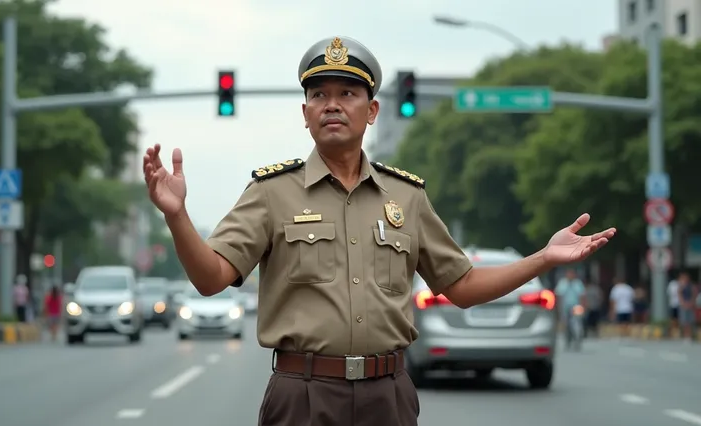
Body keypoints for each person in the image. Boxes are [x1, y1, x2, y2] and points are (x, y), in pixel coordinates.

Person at [142, 36, 616, 426]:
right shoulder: (271, 192)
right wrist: (176, 216)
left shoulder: (406, 197)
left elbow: (463, 286)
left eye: (347, 94)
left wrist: (544, 258)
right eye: (319, 95)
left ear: (371, 111)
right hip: (302, 398)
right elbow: (210, 279)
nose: (332, 105)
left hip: (387, 397)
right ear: (305, 112)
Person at [555, 268, 586, 341]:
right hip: (565, 306)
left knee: (576, 322)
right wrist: (558, 307)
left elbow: (582, 295)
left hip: (576, 306)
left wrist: (583, 306)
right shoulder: (562, 283)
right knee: (565, 323)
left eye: (572, 274)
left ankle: (578, 337)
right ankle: (567, 338)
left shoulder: (578, 283)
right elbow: (559, 295)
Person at [677, 271, 697, 342]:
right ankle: (685, 336)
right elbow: (679, 295)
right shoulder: (681, 286)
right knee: (684, 322)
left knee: (690, 321)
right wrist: (683, 303)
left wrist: (691, 303)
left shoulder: (691, 286)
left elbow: (694, 295)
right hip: (683, 306)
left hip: (690, 305)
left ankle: (690, 336)